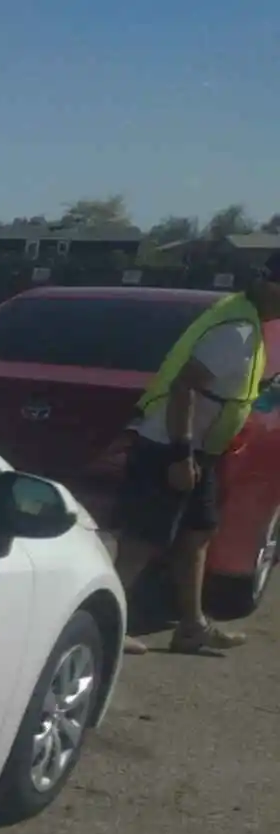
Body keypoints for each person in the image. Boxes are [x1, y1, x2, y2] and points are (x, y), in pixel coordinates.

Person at [115, 252, 280, 654]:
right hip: (170, 447)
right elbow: (184, 387)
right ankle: (107, 622)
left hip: (200, 451)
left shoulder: (248, 322)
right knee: (142, 542)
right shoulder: (236, 331)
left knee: (197, 535)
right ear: (269, 286)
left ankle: (192, 627)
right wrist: (181, 454)